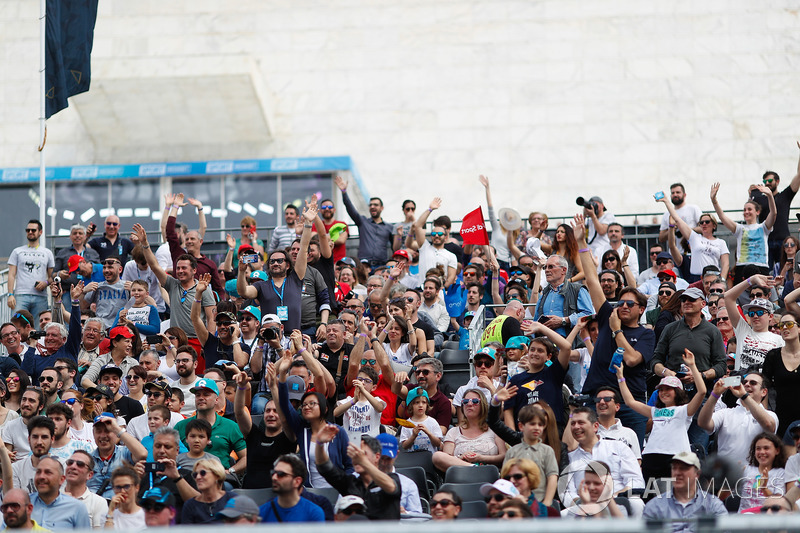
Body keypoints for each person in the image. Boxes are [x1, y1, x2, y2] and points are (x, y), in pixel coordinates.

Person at [573, 214, 654, 445]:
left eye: (630, 304)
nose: (624, 306)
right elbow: (591, 279)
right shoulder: (608, 313)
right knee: (591, 455)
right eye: (621, 303)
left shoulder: (646, 333)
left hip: (630, 404)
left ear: (641, 309)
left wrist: (617, 331)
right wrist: (581, 243)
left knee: (631, 458)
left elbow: (631, 360)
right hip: (595, 400)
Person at [650, 287, 726, 449]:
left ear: (702, 304)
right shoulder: (670, 329)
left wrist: (700, 376)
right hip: (673, 396)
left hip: (701, 395)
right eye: (683, 300)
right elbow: (655, 360)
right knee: (669, 446)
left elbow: (721, 366)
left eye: (691, 299)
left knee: (697, 448)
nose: (686, 303)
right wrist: (667, 373)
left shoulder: (713, 331)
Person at [133, 224, 216, 367]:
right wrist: (145, 244)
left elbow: (211, 317)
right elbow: (154, 265)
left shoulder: (203, 288)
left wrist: (209, 343)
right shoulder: (172, 284)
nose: (180, 271)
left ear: (194, 270)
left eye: (184, 268)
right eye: (178, 268)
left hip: (197, 341)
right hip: (176, 341)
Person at [616, 352, 706, 483]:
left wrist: (692, 366)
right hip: (651, 457)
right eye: (661, 390)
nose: (663, 392)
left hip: (677, 457)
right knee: (651, 498)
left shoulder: (684, 410)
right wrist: (620, 377)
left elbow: (702, 392)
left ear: (678, 392)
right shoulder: (655, 411)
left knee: (675, 497)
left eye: (668, 389)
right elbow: (630, 402)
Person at [237, 201, 316, 334]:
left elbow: (303, 248)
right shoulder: (262, 286)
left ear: (288, 264)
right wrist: (241, 271)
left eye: (280, 260)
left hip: (293, 339)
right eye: (272, 261)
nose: (275, 263)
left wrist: (308, 224)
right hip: (268, 340)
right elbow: (243, 291)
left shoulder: (296, 279)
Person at [562, 408, 644, 516]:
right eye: (573, 423)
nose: (576, 427)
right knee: (562, 515)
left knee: (636, 503)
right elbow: (567, 492)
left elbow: (635, 480)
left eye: (581, 422)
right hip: (584, 504)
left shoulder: (618, 447)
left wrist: (614, 496)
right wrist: (583, 502)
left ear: (595, 426)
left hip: (618, 501)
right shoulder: (570, 458)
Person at [314, 427, 402, 520]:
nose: (356, 457)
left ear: (377, 457)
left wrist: (363, 462)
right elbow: (325, 468)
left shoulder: (391, 478)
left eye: (363, 454)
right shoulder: (351, 483)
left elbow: (391, 487)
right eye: (354, 453)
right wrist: (319, 443)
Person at [697, 372, 777, 466]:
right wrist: (715, 394)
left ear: (764, 392)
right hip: (726, 475)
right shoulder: (726, 413)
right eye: (745, 382)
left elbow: (769, 425)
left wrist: (744, 396)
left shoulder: (770, 415)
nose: (747, 384)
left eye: (753, 383)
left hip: (755, 476)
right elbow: (703, 423)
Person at [175, 378, 247, 476]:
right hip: (187, 477)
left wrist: (230, 471)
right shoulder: (181, 426)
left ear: (216, 399)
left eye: (206, 394)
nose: (201, 398)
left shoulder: (230, 426)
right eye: (198, 395)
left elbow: (246, 457)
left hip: (220, 479)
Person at [711, 182, 775, 284]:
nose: (746, 212)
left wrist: (770, 196)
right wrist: (714, 201)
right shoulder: (740, 229)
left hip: (761, 267)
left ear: (757, 212)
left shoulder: (763, 227)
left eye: (749, 209)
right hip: (742, 267)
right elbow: (722, 217)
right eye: (744, 210)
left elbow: (773, 213)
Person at [658, 196, 730, 282]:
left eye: (707, 222)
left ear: (714, 225)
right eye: (701, 222)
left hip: (714, 277)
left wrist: (722, 280)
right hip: (696, 278)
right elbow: (677, 219)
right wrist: (667, 202)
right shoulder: (695, 237)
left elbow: (726, 264)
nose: (704, 224)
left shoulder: (721, 242)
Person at [433, 388, 506, 470]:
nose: (469, 404)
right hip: (462, 474)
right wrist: (461, 458)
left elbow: (503, 456)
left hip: (488, 474)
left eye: (475, 401)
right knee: (437, 456)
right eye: (465, 401)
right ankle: (474, 468)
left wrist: (480, 458)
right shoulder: (453, 432)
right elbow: (446, 459)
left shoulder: (494, 429)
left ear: (483, 405)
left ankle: (476, 469)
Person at [751, 148, 800, 266]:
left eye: (769, 180)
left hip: (782, 240)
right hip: (765, 240)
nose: (767, 182)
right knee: (766, 270)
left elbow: (799, 175)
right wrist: (751, 192)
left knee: (784, 268)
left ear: (777, 181)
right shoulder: (760, 198)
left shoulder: (784, 196)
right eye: (765, 180)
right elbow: (750, 211)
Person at [724, 275, 784, 371]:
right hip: (742, 383)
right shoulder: (743, 330)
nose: (755, 316)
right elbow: (728, 297)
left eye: (760, 313)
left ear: (770, 316)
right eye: (751, 313)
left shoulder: (780, 340)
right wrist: (751, 280)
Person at [334, 175, 394, 266]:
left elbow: (395, 247)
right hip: (364, 265)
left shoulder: (389, 227)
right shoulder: (362, 221)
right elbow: (350, 209)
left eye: (375, 205)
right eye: (370, 205)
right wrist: (344, 192)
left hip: (381, 266)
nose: (372, 207)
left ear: (382, 208)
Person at [88, 413, 148, 500]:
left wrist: (117, 429)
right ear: (93, 434)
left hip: (120, 506)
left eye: (107, 430)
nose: (103, 436)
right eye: (98, 431)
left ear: (116, 433)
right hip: (93, 508)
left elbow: (143, 454)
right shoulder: (87, 459)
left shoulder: (124, 452)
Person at [533, 254, 594, 337]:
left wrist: (564, 320)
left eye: (551, 267)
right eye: (545, 267)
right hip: (545, 345)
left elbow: (589, 315)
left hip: (569, 344)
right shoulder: (544, 293)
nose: (546, 270)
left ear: (563, 270)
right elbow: (536, 321)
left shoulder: (578, 290)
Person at [7, 220, 54, 321]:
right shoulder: (17, 251)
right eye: (28, 230)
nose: (30, 232)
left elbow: (52, 277)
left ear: (40, 232)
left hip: (41, 297)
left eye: (33, 230)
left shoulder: (47, 253)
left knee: (39, 328)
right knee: (17, 326)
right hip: (20, 296)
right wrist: (10, 294)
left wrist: (45, 283)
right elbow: (11, 274)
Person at [259, 454, 325, 523]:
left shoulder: (313, 513)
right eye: (273, 473)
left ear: (297, 481)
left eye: (280, 474)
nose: (274, 478)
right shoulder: (262, 512)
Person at [30, 456, 92, 529]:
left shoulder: (77, 508)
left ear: (61, 480)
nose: (41, 476)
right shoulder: (24, 504)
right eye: (38, 472)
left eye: (48, 472)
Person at [411, 197, 457, 288]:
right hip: (422, 289)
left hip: (439, 291)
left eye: (440, 234)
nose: (436, 236)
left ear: (446, 236)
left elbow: (451, 277)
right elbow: (418, 226)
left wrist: (442, 289)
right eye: (434, 233)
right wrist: (430, 209)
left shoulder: (451, 255)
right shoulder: (424, 247)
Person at [738, 432, 787, 512]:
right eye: (758, 448)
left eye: (766, 448)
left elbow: (778, 504)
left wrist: (764, 488)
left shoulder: (781, 473)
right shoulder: (746, 470)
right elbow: (721, 496)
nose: (762, 452)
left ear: (777, 450)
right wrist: (731, 477)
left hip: (766, 519)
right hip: (744, 518)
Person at [561, 461, 626, 518]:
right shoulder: (574, 512)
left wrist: (608, 496)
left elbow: (624, 529)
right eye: (587, 483)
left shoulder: (619, 509)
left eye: (597, 483)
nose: (591, 488)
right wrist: (585, 504)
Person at [79, 257, 128, 329]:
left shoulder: (127, 286)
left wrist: (135, 290)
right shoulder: (96, 286)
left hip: (122, 327)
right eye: (104, 268)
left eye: (110, 267)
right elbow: (81, 307)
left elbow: (146, 303)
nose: (106, 270)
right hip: (102, 329)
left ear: (120, 269)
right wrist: (83, 292)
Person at [63, 450, 109, 529]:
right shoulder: (53, 497)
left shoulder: (98, 502)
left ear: (90, 475)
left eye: (80, 464)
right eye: (70, 462)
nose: (73, 466)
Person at [181, 459, 236, 524]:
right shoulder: (189, 505)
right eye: (195, 474)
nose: (198, 477)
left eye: (203, 473)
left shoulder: (232, 499)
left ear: (217, 475)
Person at [12, 416, 54, 493]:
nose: (39, 442)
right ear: (29, 439)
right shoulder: (17, 468)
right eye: (35, 437)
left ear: (52, 439)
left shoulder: (62, 466)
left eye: (44, 437)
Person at [1, 387, 45, 461]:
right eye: (24, 399)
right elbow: (9, 455)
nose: (26, 404)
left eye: (31, 401)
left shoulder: (48, 425)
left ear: (40, 406)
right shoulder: (11, 426)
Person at [398, 387, 443, 453]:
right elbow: (404, 446)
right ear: (411, 405)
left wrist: (428, 433)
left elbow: (438, 443)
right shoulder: (407, 424)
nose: (420, 405)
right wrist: (413, 436)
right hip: (413, 459)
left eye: (424, 402)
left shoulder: (432, 422)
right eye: (417, 402)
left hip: (429, 459)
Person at [319, 198, 348, 263]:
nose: (327, 209)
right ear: (320, 211)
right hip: (322, 262)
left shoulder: (341, 224)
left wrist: (322, 237)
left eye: (329, 207)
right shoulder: (316, 225)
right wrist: (334, 237)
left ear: (334, 210)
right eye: (324, 207)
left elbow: (341, 240)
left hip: (339, 263)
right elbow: (313, 239)